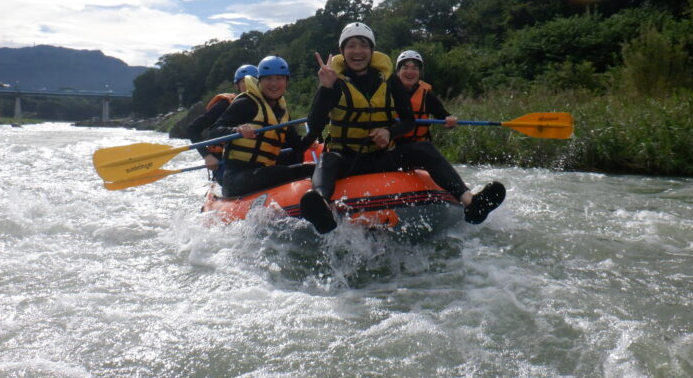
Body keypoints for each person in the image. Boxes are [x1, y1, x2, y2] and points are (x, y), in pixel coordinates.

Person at [299, 22, 505, 234]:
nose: (357, 51)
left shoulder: (390, 81)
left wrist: (390, 132)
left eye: (363, 45)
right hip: (347, 159)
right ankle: (322, 206)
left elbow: (408, 120)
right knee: (327, 158)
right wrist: (325, 88)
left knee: (423, 148)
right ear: (343, 51)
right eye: (351, 45)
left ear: (372, 50)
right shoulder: (334, 82)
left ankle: (470, 201)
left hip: (381, 156)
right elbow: (315, 125)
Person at [207, 55, 314, 197]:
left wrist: (315, 131)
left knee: (312, 169)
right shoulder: (246, 103)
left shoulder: (282, 113)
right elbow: (213, 132)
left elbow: (298, 146)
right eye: (268, 79)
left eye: (279, 78)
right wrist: (236, 130)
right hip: (236, 178)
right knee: (281, 171)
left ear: (286, 81)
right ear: (260, 82)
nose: (274, 84)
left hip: (263, 172)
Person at [186, 64, 258, 184]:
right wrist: (207, 156)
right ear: (237, 86)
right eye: (244, 81)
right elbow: (192, 129)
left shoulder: (266, 106)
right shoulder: (224, 105)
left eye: (254, 81)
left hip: (253, 159)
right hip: (224, 162)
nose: (250, 85)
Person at [394, 49, 458, 144]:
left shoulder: (426, 96)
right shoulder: (387, 92)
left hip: (419, 145)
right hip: (392, 145)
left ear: (419, 73)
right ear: (398, 72)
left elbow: (444, 116)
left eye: (415, 68)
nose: (410, 72)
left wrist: (450, 121)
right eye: (405, 68)